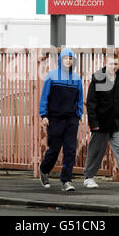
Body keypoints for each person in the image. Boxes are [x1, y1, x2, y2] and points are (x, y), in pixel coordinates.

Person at [83, 52, 119, 189]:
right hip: (101, 123)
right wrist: (94, 123)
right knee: (96, 150)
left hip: (117, 122)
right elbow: (91, 102)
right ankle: (89, 177)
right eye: (111, 64)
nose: (114, 66)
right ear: (106, 64)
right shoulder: (98, 78)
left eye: (116, 64)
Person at [39, 48, 84, 192]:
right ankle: (44, 170)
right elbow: (44, 96)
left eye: (71, 59)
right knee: (54, 149)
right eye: (66, 58)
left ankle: (67, 181)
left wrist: (79, 114)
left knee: (70, 150)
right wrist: (44, 115)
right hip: (55, 119)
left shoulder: (76, 78)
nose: (68, 61)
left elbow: (80, 99)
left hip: (71, 119)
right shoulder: (51, 76)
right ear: (61, 60)